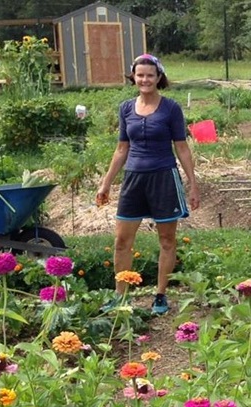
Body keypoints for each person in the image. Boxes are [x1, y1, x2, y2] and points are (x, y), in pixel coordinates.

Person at [96, 54, 200, 315]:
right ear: (134, 77)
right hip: (133, 180)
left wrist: (193, 184)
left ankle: (161, 295)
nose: (144, 79)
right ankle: (120, 296)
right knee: (122, 241)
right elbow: (121, 149)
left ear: (158, 78)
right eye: (140, 75)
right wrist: (106, 183)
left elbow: (182, 148)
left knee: (166, 239)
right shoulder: (126, 109)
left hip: (163, 178)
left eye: (150, 75)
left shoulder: (171, 109)